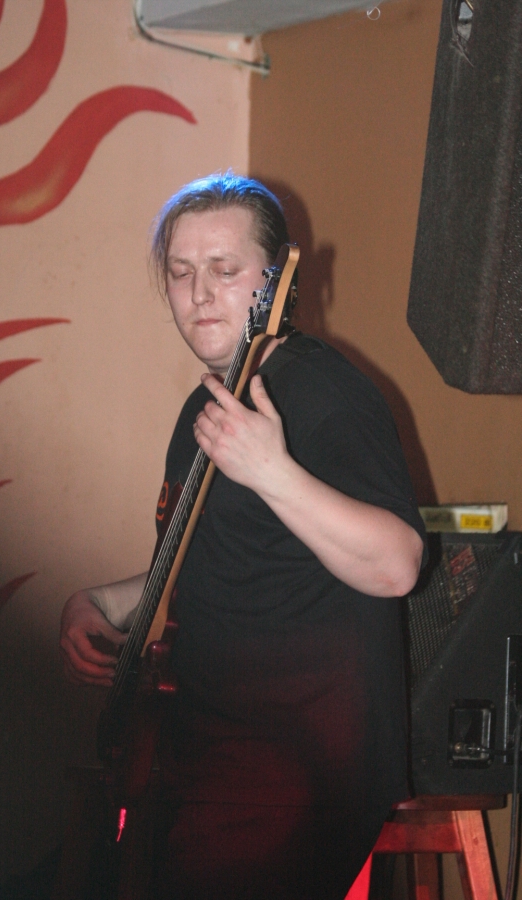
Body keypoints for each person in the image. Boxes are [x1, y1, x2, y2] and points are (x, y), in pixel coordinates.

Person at [60, 172, 426, 900]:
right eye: (181, 273)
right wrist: (98, 603)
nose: (200, 293)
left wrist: (271, 471)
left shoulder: (322, 392)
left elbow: (398, 564)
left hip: (289, 777)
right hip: (209, 758)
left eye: (225, 270)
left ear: (277, 281)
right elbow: (207, 563)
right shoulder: (209, 403)